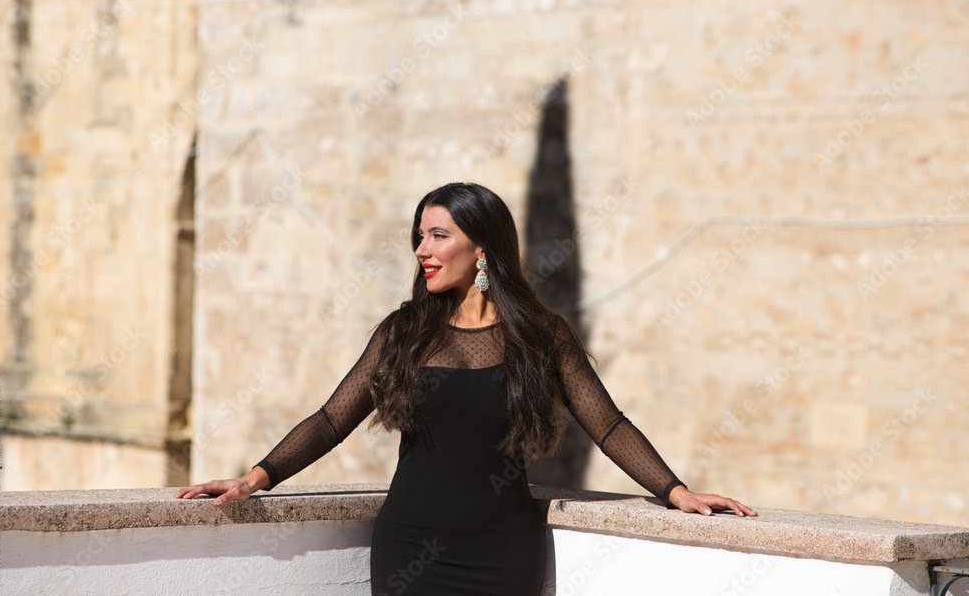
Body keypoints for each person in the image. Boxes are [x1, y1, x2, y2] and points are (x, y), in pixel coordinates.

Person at [176, 182, 756, 594]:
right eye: (420, 236)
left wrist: (677, 493)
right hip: (411, 549)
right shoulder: (405, 331)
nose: (421, 250)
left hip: (502, 553)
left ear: (482, 249)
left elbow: (607, 424)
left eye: (437, 235)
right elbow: (332, 419)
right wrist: (255, 478)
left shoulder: (542, 336)